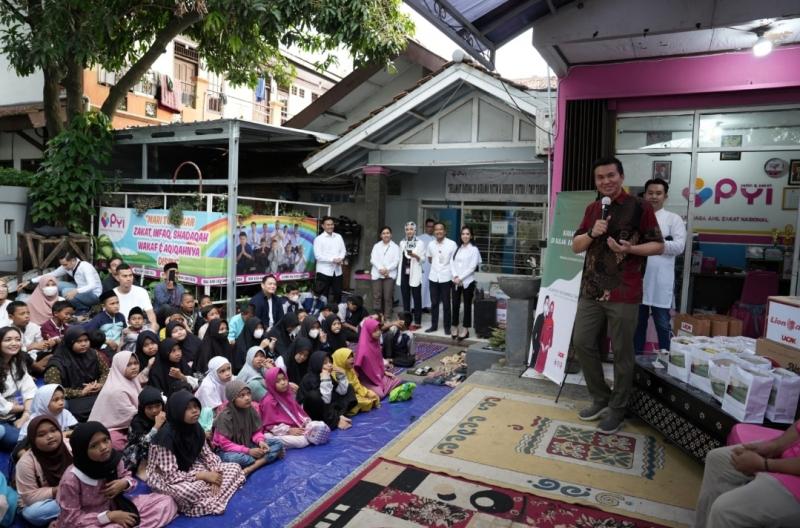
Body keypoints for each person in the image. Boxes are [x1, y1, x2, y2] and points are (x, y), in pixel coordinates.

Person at [571, 156, 664, 434]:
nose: (606, 182)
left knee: (622, 353)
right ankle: (600, 397)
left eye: (611, 176)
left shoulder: (640, 207)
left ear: (621, 177)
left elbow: (658, 245)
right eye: (600, 178)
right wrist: (592, 231)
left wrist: (630, 250)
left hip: (625, 291)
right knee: (582, 343)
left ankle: (618, 408)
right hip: (591, 290)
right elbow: (576, 246)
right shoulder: (592, 208)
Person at [54, 421, 178, 528]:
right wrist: (109, 516)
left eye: (105, 440)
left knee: (166, 501)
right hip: (91, 521)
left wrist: (124, 483)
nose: (103, 447)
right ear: (81, 451)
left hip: (118, 506)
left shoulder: (113, 460)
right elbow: (71, 518)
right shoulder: (72, 479)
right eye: (94, 446)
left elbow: (128, 476)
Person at [146, 390, 246, 516]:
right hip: (167, 477)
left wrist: (215, 473)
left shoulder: (195, 427)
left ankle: (211, 496)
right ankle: (215, 494)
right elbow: (170, 476)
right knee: (189, 491)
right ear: (177, 411)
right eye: (188, 408)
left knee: (235, 467)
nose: (195, 411)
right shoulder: (165, 438)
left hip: (191, 467)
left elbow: (207, 454)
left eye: (195, 406)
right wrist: (203, 476)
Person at [694, 420, 800, 528]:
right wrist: (774, 446)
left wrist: (764, 464)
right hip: (789, 456)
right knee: (717, 459)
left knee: (725, 510)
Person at [634, 178, 686, 354]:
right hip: (637, 281)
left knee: (663, 325)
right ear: (644, 195)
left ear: (665, 196)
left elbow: (679, 247)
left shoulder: (673, 219)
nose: (654, 197)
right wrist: (663, 244)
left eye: (658, 193)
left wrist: (657, 244)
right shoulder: (636, 218)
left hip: (660, 281)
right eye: (650, 193)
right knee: (637, 325)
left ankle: (667, 362)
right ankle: (636, 363)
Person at [213, 380, 284, 473]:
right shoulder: (225, 416)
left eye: (248, 394)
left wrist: (260, 441)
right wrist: (248, 451)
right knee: (244, 459)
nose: (247, 398)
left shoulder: (250, 409)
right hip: (227, 451)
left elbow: (256, 431)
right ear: (233, 398)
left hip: (247, 443)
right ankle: (265, 458)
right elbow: (225, 444)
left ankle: (253, 466)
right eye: (241, 396)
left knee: (278, 443)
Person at [16, 416, 72, 526]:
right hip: (51, 499)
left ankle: (68, 515)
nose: (50, 436)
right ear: (33, 439)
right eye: (41, 435)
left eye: (53, 430)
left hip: (77, 491)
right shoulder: (26, 463)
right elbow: (29, 496)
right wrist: (58, 489)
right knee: (32, 513)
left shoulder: (71, 446)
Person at [44, 326, 109, 422]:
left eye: (86, 340)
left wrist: (100, 384)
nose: (84, 344)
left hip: (96, 393)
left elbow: (106, 372)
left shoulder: (93, 354)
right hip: (73, 399)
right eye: (79, 341)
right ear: (70, 342)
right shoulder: (57, 363)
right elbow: (53, 390)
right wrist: (81, 392)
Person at [260, 367, 330, 448]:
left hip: (295, 426)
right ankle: (272, 441)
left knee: (318, 426)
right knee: (302, 442)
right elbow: (270, 426)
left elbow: (298, 413)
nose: (283, 383)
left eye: (284, 379)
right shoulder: (268, 401)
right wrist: (289, 430)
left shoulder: (287, 394)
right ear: (271, 383)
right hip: (276, 432)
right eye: (277, 381)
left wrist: (306, 423)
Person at [87, 351, 144, 450]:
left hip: (126, 426)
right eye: (129, 364)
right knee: (117, 444)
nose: (134, 367)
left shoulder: (132, 380)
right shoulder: (117, 390)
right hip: (110, 429)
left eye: (136, 363)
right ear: (119, 366)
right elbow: (131, 415)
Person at [19, 250, 102, 316]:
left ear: (73, 260)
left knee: (66, 291)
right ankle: (47, 306)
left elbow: (92, 285)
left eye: (65, 264)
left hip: (94, 295)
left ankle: (83, 309)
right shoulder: (66, 266)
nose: (64, 267)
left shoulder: (85, 266)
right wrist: (30, 281)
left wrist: (76, 291)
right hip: (80, 289)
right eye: (62, 265)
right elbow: (51, 275)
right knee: (55, 284)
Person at [297, 351, 355, 431]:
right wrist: (325, 380)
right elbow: (326, 400)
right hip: (314, 412)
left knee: (349, 388)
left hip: (327, 406)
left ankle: (338, 415)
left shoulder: (328, 375)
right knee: (314, 396)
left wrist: (341, 376)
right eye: (325, 363)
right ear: (317, 364)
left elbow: (341, 392)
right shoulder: (310, 379)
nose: (330, 365)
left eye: (330, 362)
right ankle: (335, 420)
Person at [0, 326, 36, 449]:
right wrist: (23, 409)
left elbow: (29, 388)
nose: (14, 343)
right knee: (14, 439)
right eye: (8, 340)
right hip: (3, 415)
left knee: (57, 406)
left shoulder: (17, 361)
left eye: (17, 339)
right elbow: (2, 406)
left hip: (19, 408)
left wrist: (26, 414)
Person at [122, 386, 165, 479]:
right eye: (149, 408)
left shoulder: (165, 417)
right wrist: (156, 427)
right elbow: (143, 444)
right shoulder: (137, 422)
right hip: (139, 456)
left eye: (158, 406)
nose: (154, 411)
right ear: (143, 408)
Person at [354, 317, 402, 399]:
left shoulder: (375, 342)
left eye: (379, 329)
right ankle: (382, 388)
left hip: (378, 375)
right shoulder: (363, 348)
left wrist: (384, 372)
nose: (379, 332)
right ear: (368, 331)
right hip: (367, 379)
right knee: (380, 395)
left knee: (398, 380)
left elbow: (378, 361)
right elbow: (356, 368)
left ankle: (383, 387)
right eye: (375, 330)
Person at [451, 225, 482, 341]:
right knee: (455, 304)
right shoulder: (457, 248)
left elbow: (472, 267)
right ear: (461, 235)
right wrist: (455, 276)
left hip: (468, 282)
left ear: (471, 236)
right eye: (463, 234)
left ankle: (465, 329)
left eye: (467, 234)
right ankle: (454, 326)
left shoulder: (474, 249)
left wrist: (461, 278)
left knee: (467, 306)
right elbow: (451, 262)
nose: (465, 236)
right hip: (455, 281)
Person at [425, 222, 457, 334]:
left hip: (446, 277)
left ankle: (447, 328)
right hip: (433, 277)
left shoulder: (452, 244)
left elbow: (455, 261)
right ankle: (434, 326)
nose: (438, 231)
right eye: (436, 229)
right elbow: (429, 258)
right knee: (434, 303)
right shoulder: (430, 244)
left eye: (441, 229)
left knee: (447, 304)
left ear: (445, 231)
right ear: (434, 232)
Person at [332, 347, 379, 415]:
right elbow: (344, 390)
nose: (352, 359)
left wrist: (365, 393)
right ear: (340, 359)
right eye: (348, 358)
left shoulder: (350, 370)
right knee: (362, 402)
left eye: (352, 357)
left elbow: (357, 384)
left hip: (354, 393)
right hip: (344, 397)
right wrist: (343, 375)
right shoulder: (335, 372)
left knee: (373, 395)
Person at [397, 221, 425, 330]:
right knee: (405, 297)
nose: (409, 231)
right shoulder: (402, 243)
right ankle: (407, 321)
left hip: (415, 272)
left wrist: (415, 255)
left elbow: (423, 260)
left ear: (415, 230)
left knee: (417, 297)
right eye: (407, 229)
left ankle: (417, 321)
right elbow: (400, 258)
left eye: (411, 229)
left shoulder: (420, 243)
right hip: (404, 272)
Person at [8, 301, 51, 371]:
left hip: (35, 357)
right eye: (22, 314)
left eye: (28, 313)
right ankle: (36, 368)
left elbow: (40, 345)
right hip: (18, 359)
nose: (27, 316)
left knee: (54, 354)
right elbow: (8, 351)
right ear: (11, 317)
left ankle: (35, 367)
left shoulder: (34, 327)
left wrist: (47, 344)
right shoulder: (7, 331)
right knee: (20, 355)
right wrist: (30, 347)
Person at [312, 216, 346, 306]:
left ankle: (336, 314)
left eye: (332, 224)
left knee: (338, 294)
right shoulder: (318, 239)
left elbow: (343, 250)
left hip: (337, 271)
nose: (330, 226)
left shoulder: (338, 237)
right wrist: (333, 260)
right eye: (328, 225)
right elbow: (318, 256)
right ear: (323, 226)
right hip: (324, 271)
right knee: (323, 295)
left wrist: (340, 258)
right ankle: (322, 314)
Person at [114, 264, 159, 331]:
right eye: (125, 276)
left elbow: (150, 314)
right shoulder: (112, 294)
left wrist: (153, 328)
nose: (128, 279)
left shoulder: (141, 292)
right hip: (119, 330)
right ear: (117, 278)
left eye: (130, 275)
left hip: (139, 329)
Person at [370, 226, 401, 321]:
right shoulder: (376, 246)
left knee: (388, 297)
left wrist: (387, 269)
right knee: (377, 297)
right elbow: (373, 259)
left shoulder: (395, 247)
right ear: (380, 235)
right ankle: (378, 317)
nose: (386, 235)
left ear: (391, 235)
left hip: (389, 275)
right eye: (383, 233)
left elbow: (396, 261)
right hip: (377, 274)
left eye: (387, 233)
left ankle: (387, 317)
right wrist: (380, 268)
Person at [83, 290, 126, 355]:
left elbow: (124, 332)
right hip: (103, 348)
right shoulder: (99, 318)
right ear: (104, 306)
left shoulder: (121, 316)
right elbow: (90, 334)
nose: (116, 306)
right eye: (112, 303)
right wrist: (106, 341)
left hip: (120, 347)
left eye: (117, 303)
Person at [195, 356, 232, 432]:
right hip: (210, 417)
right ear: (214, 373)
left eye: (229, 368)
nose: (228, 373)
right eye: (222, 371)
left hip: (225, 411)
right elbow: (215, 411)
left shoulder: (229, 379)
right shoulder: (207, 387)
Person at [533, 299, 555, 373]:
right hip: (542, 343)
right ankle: (537, 367)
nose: (551, 310)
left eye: (552, 308)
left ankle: (542, 369)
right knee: (540, 356)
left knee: (544, 357)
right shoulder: (545, 320)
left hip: (547, 345)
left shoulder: (552, 321)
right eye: (550, 308)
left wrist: (548, 345)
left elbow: (551, 335)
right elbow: (542, 333)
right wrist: (542, 344)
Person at [419, 218, 435, 313]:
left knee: (429, 288)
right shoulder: (420, 238)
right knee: (422, 287)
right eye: (429, 226)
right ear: (425, 227)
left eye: (432, 227)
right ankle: (418, 307)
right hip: (422, 266)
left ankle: (426, 306)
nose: (430, 228)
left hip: (432, 267)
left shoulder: (435, 239)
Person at [529, 295, 550, 370]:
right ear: (543, 304)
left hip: (545, 345)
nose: (546, 305)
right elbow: (534, 333)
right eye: (545, 303)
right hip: (537, 344)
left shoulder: (549, 319)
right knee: (534, 363)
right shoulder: (539, 317)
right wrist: (534, 346)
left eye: (548, 304)